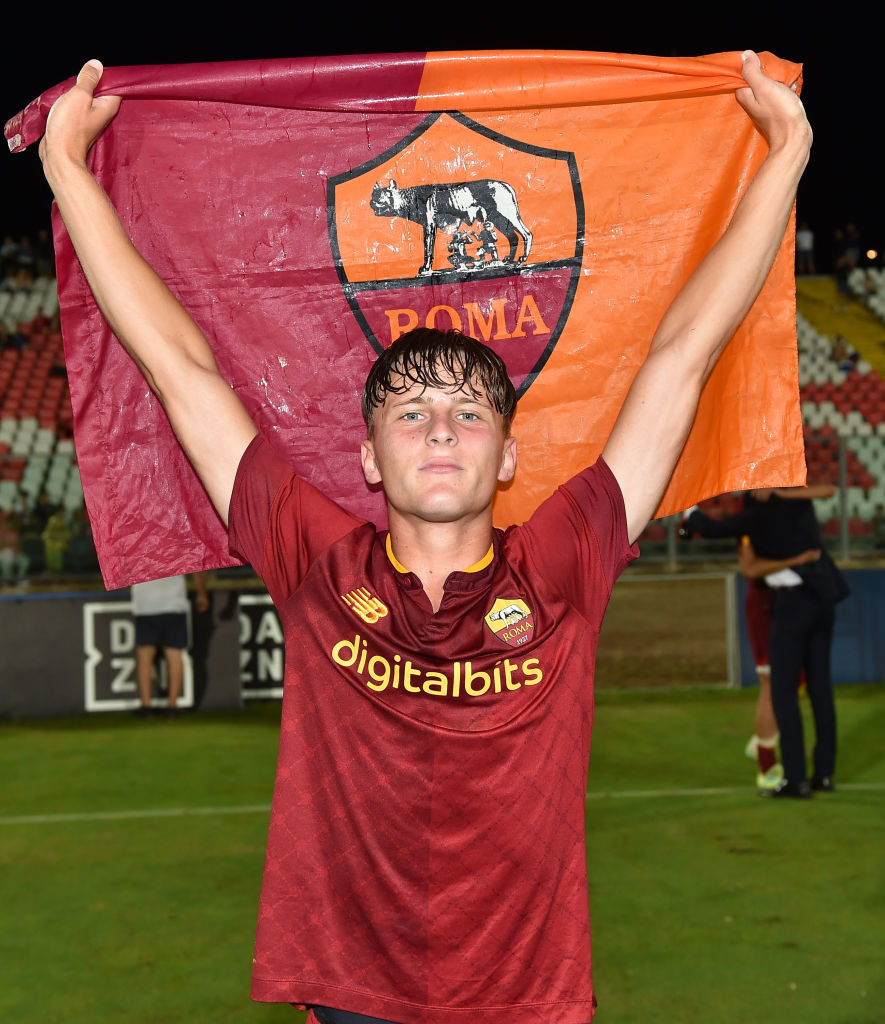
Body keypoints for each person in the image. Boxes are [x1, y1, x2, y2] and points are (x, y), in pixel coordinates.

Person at [38, 52, 811, 1022]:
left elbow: (682, 354)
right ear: (368, 457)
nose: (440, 429)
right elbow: (179, 366)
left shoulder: (565, 558)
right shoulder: (314, 558)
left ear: (509, 455)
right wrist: (67, 170)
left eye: (468, 412)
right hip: (353, 998)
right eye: (410, 413)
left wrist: (786, 155)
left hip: (525, 1002)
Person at [683, 485, 846, 799]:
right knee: (821, 691)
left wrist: (689, 510)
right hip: (824, 596)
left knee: (783, 693)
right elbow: (826, 490)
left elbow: (711, 529)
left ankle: (796, 779)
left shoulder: (753, 518)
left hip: (792, 605)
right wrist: (781, 493)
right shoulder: (800, 503)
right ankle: (824, 775)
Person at [131, 572, 209, 715]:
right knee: (174, 655)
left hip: (145, 604)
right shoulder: (179, 553)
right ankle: (172, 706)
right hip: (173, 604)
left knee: (145, 656)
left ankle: (146, 706)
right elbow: (197, 568)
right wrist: (202, 594)